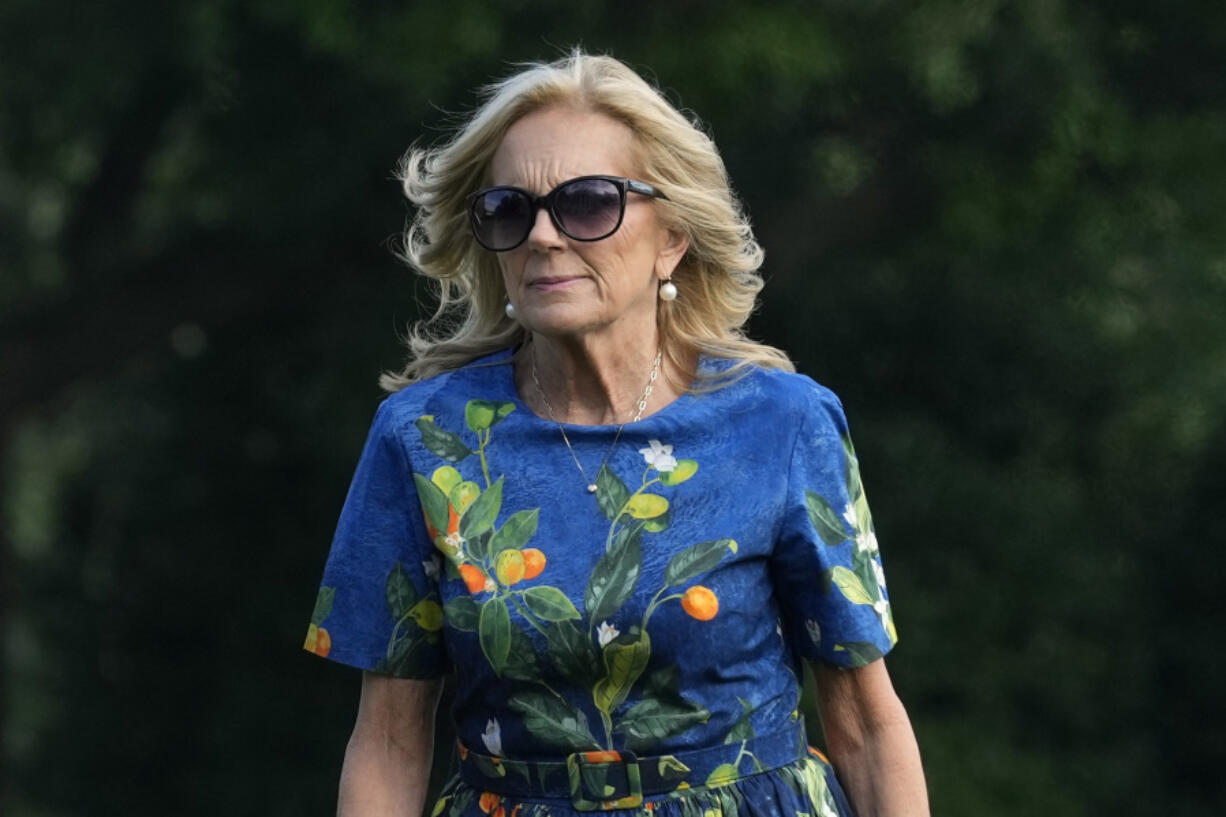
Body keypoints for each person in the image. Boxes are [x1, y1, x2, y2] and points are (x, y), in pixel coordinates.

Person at [304, 50, 929, 817]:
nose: (542, 236)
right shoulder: (426, 439)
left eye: (588, 202)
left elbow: (865, 722)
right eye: (509, 209)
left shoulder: (784, 423)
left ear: (671, 236)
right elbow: (390, 741)